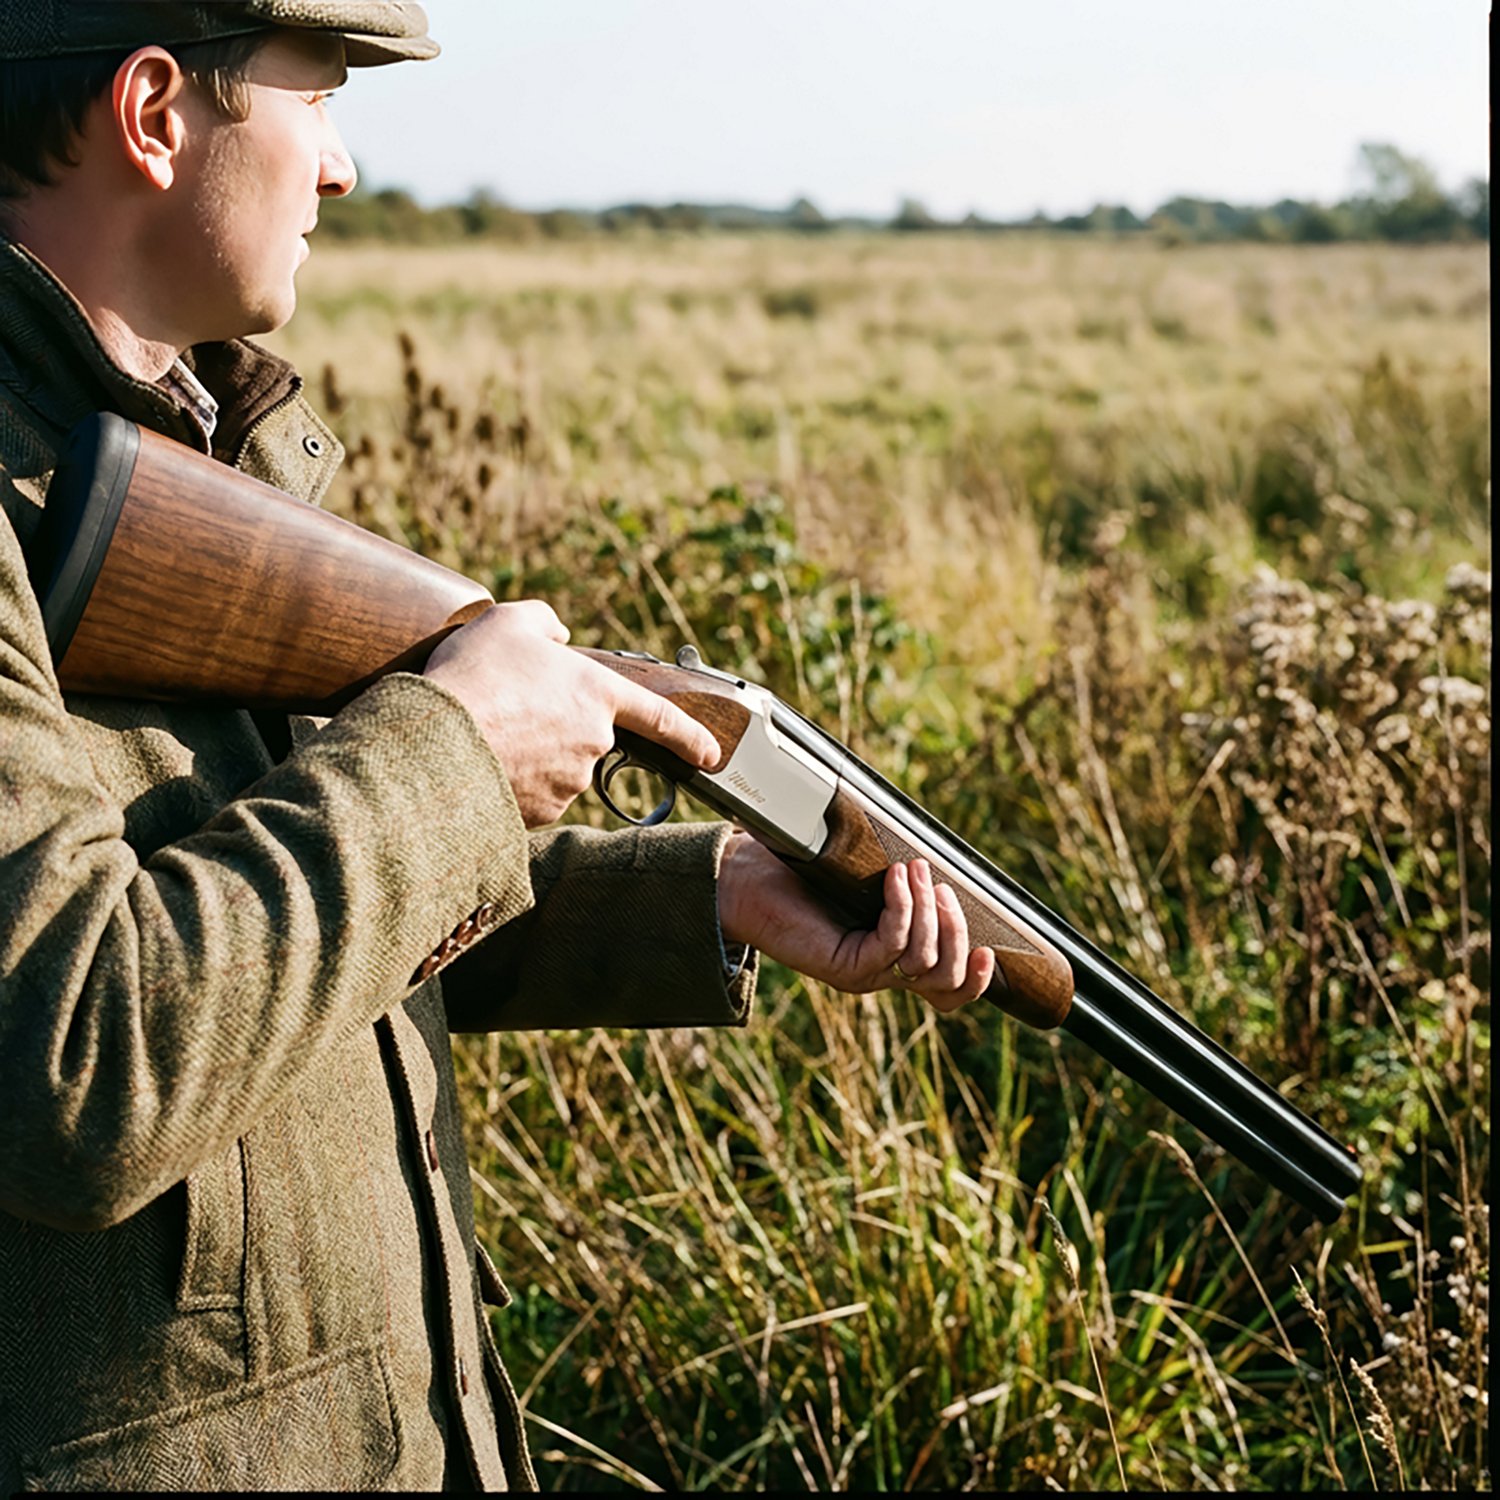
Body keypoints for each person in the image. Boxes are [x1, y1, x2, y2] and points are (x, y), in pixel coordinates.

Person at [0, 3, 994, 1490]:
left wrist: (699, 892)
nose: (338, 166)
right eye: (316, 98)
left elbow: (304, 926)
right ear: (152, 112)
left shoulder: (218, 453)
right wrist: (462, 745)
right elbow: (80, 1064)